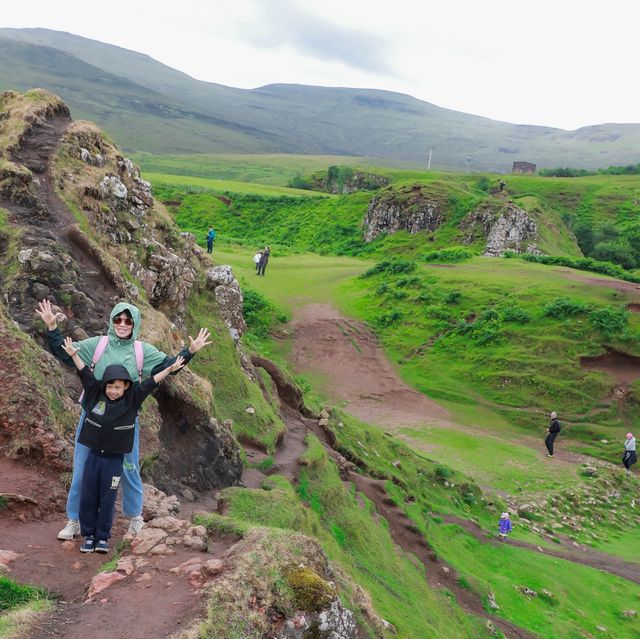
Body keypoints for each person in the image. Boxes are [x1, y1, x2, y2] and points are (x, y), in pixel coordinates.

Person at [35, 299, 212, 539]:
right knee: (81, 469)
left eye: (128, 320)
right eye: (118, 319)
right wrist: (52, 328)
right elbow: (67, 355)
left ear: (135, 324)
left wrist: (189, 352)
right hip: (92, 420)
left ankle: (135, 518)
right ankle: (74, 520)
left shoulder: (142, 352)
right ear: (112, 320)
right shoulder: (97, 345)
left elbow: (169, 367)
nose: (122, 323)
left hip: (125, 424)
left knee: (129, 469)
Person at [61, 337, 185, 553]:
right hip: (93, 458)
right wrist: (73, 354)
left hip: (114, 461)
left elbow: (151, 381)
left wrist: (170, 369)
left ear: (126, 386)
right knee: (89, 495)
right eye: (110, 386)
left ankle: (102, 538)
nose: (113, 390)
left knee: (108, 499)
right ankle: (88, 535)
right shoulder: (94, 393)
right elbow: (84, 373)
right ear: (104, 385)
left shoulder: (132, 399)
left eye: (118, 387)